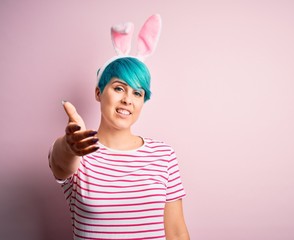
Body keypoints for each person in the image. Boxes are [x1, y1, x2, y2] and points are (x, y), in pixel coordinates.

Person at [48, 15, 190, 240]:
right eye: (119, 88)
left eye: (137, 93)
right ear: (98, 92)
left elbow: (177, 232)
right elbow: (60, 160)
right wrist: (69, 147)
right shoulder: (80, 151)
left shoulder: (164, 155)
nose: (128, 100)